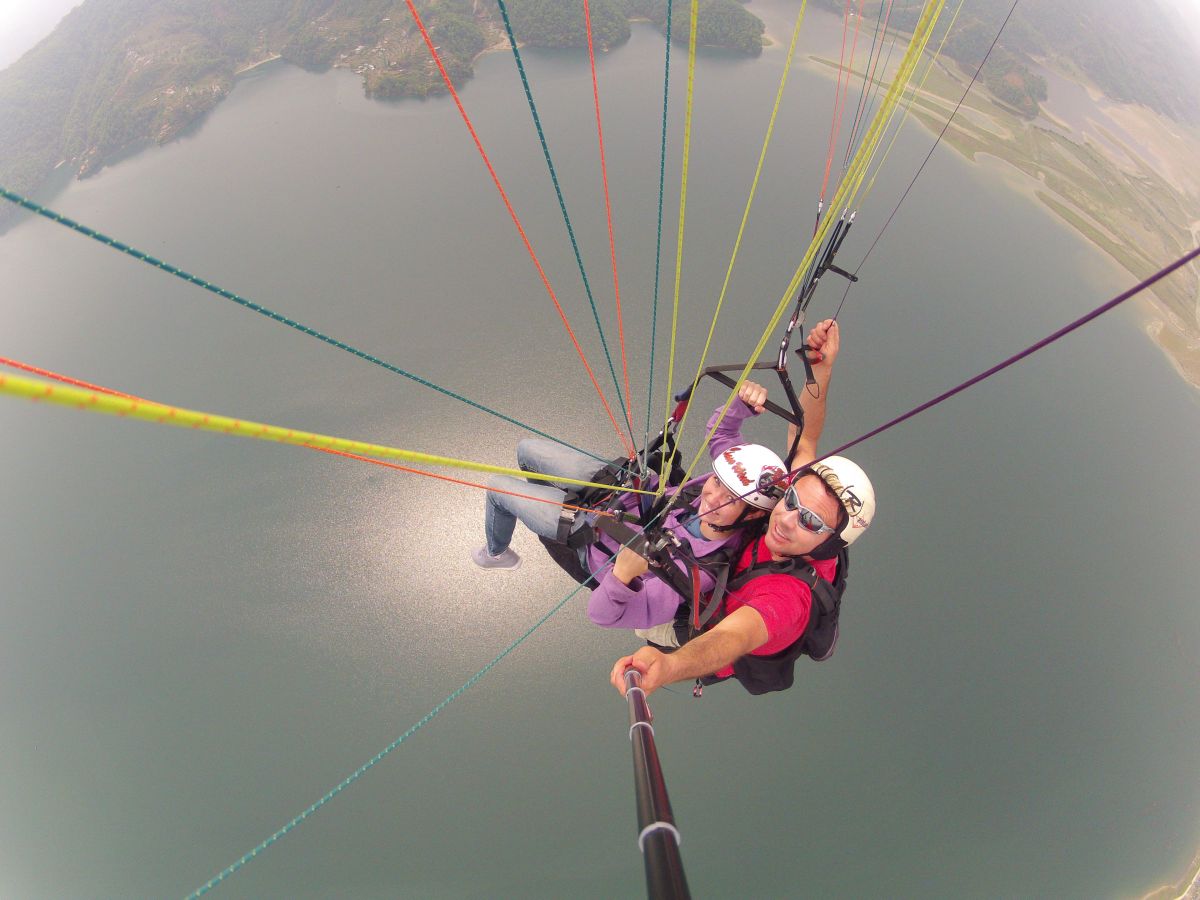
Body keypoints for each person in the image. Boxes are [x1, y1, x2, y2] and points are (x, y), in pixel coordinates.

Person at [472, 382, 789, 628]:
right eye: (717, 481)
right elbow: (721, 430)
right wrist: (741, 404)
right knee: (527, 450)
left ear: (753, 513)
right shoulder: (745, 480)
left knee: (498, 488)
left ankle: (496, 554)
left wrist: (622, 576)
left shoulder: (696, 573)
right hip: (620, 492)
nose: (714, 497)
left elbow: (602, 615)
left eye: (730, 500)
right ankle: (546, 503)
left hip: (591, 533)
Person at [609, 453, 875, 696]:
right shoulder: (811, 496)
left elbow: (733, 638)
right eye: (791, 499)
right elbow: (805, 443)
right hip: (716, 568)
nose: (785, 519)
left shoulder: (789, 600)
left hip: (695, 627)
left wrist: (670, 665)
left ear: (831, 543)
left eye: (811, 521)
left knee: (625, 600)